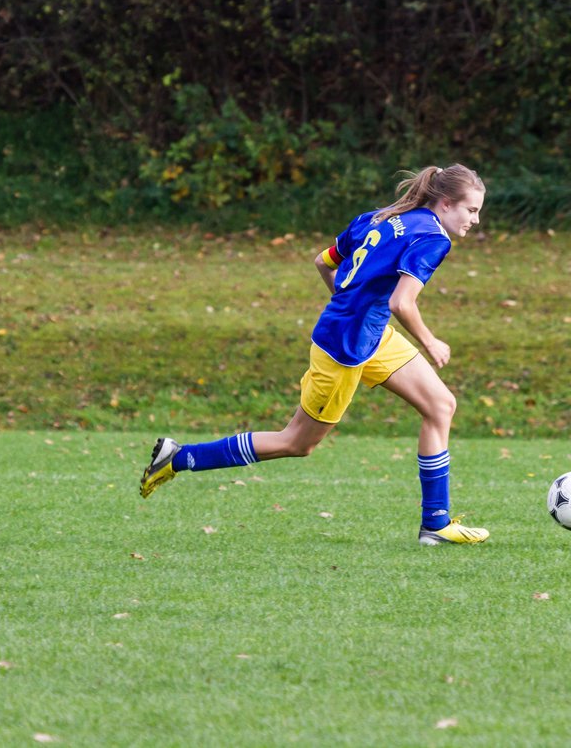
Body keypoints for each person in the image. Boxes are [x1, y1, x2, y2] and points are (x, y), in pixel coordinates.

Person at [141, 164, 490, 545]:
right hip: (344, 348)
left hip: (368, 334)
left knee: (441, 405)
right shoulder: (433, 239)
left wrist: (348, 303)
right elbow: (402, 302)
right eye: (471, 210)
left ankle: (435, 525)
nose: (476, 219)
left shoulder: (381, 218)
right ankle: (179, 457)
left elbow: (324, 261)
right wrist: (430, 340)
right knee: (296, 443)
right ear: (445, 203)